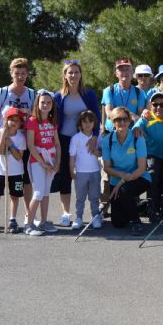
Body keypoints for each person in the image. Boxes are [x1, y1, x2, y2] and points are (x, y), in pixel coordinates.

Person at [52, 60, 101, 227]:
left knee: (87, 174)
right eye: (70, 72)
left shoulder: (89, 94)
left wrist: (94, 136)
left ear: (81, 75)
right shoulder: (58, 96)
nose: (73, 75)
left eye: (76, 72)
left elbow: (97, 116)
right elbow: (54, 120)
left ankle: (93, 214)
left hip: (85, 139)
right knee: (66, 176)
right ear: (65, 75)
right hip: (64, 139)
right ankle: (66, 213)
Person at [0, 57, 35, 225]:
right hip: (2, 139)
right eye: (17, 73)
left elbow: (36, 118)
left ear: (27, 74)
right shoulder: (2, 92)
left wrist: (29, 114)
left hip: (23, 140)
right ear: (11, 73)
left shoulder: (31, 93)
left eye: (23, 73)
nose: (20, 77)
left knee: (25, 180)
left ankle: (28, 215)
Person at [101, 107, 152, 235]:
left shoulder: (137, 138)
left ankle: (136, 222)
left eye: (125, 119)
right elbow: (106, 167)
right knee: (118, 223)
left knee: (125, 190)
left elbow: (142, 168)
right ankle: (142, 206)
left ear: (129, 121)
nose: (122, 122)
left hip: (140, 177)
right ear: (113, 122)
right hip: (117, 179)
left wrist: (122, 181)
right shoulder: (107, 140)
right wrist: (121, 176)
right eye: (118, 120)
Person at [133, 93, 163, 217]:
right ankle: (153, 208)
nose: (158, 108)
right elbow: (135, 128)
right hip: (152, 154)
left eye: (162, 105)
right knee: (153, 177)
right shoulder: (147, 117)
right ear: (150, 106)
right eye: (155, 105)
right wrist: (137, 129)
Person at [24, 90, 61, 236]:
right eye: (43, 102)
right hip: (37, 161)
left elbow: (57, 143)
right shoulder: (32, 121)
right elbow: (31, 145)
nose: (45, 105)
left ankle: (44, 222)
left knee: (46, 192)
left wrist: (57, 162)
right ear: (37, 103)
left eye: (48, 102)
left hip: (50, 160)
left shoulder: (52, 122)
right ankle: (29, 224)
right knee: (38, 192)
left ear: (52, 105)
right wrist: (43, 163)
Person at [69, 110, 102, 230]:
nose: (87, 124)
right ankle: (78, 217)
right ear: (80, 123)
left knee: (94, 196)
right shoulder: (76, 138)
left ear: (94, 123)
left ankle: (95, 217)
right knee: (80, 197)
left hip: (95, 171)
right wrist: (72, 170)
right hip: (81, 172)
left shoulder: (97, 138)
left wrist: (95, 151)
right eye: (84, 121)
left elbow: (101, 153)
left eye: (90, 121)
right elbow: (72, 156)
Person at [101, 58, 147, 133]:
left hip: (131, 133)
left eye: (127, 69)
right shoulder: (109, 90)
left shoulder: (139, 92)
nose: (125, 72)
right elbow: (109, 113)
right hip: (112, 133)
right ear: (116, 73)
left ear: (132, 73)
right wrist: (128, 115)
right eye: (121, 70)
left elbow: (139, 115)